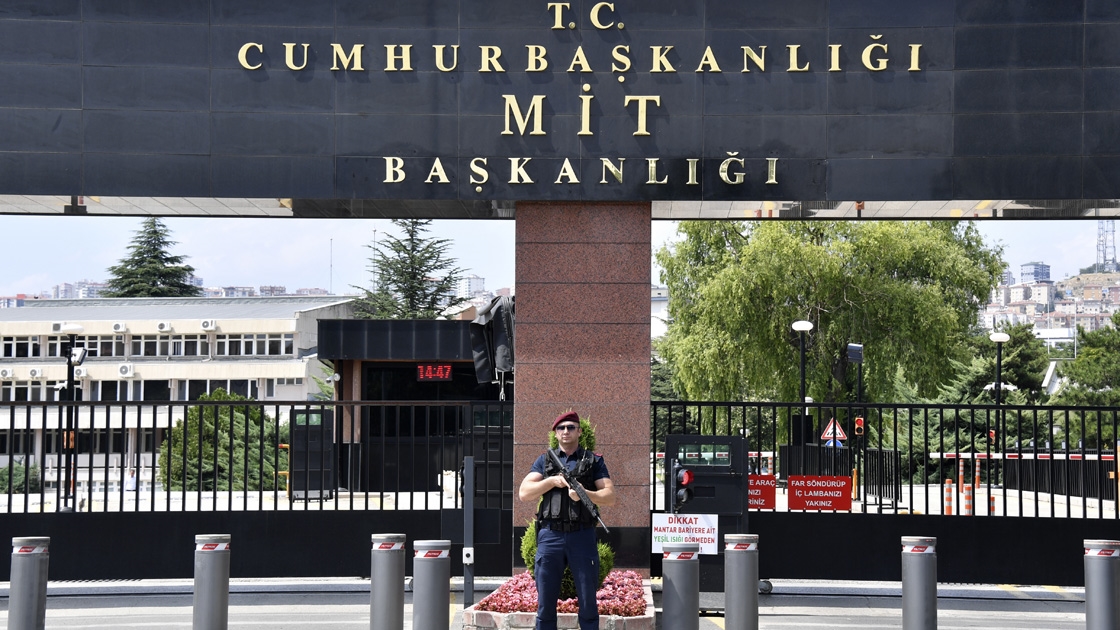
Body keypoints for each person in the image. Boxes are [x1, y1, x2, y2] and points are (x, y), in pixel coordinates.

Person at [518, 411, 616, 630]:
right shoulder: (545, 460)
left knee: (588, 600)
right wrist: (552, 481)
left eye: (571, 427)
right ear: (555, 433)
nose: (565, 431)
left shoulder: (593, 460)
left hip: (582, 536)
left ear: (579, 431)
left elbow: (610, 496)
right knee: (545, 602)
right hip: (550, 536)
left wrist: (584, 493)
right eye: (560, 428)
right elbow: (524, 493)